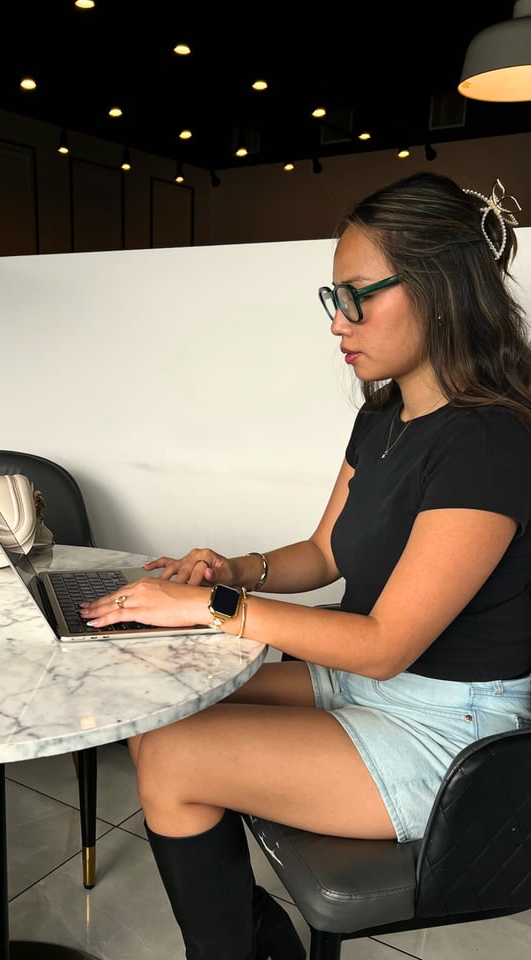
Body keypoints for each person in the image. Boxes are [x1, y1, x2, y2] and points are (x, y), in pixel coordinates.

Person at [80, 171, 531, 960]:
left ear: (440, 288)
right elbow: (323, 551)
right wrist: (234, 568)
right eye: (334, 299)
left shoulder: (490, 444)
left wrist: (214, 606)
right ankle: (244, 930)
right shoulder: (385, 415)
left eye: (358, 295)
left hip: (452, 729)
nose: (339, 324)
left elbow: (387, 641)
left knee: (178, 759)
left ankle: (232, 947)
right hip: (372, 683)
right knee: (156, 705)